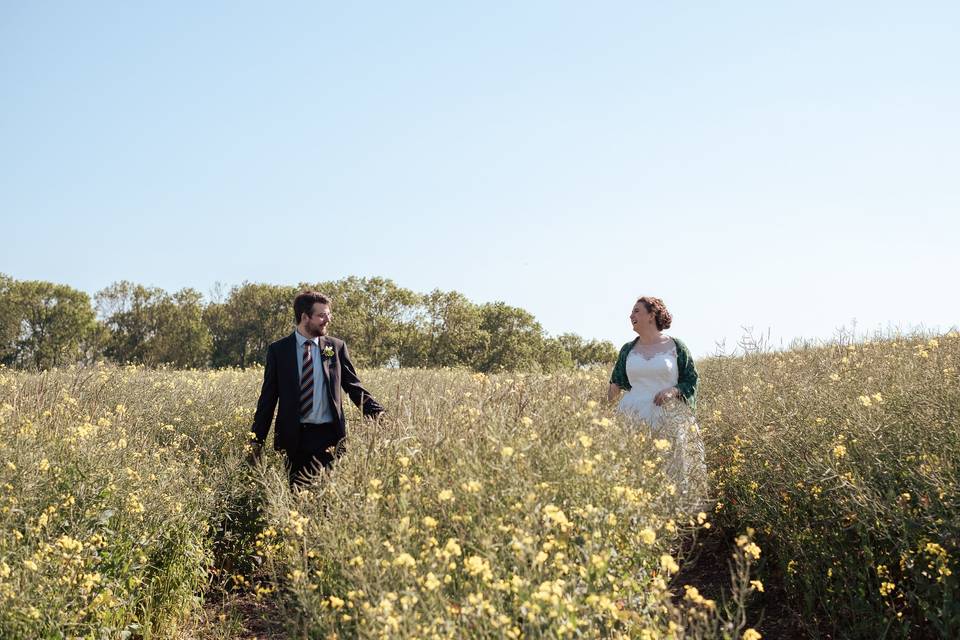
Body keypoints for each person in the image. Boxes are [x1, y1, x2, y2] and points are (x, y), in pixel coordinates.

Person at [248, 291, 384, 486]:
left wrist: (379, 414)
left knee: (328, 501)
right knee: (296, 501)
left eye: (329, 314)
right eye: (322, 315)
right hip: (294, 439)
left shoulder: (335, 347)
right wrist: (256, 440)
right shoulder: (279, 351)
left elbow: (354, 387)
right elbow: (268, 399)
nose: (327, 320)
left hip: (330, 438)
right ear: (305, 317)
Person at [607, 296, 704, 502]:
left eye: (636, 311)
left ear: (651, 315)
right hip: (632, 416)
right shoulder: (627, 349)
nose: (631, 315)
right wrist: (608, 398)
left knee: (672, 469)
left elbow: (691, 380)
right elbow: (616, 382)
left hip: (667, 416)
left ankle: (676, 518)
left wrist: (673, 391)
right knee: (635, 469)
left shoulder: (676, 346)